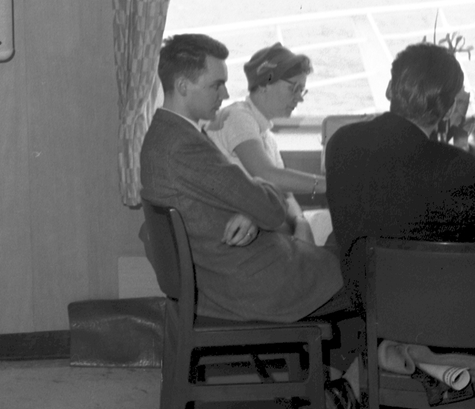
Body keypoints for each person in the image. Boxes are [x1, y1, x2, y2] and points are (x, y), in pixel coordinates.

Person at [139, 33, 346, 324]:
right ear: (183, 86)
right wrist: (258, 202)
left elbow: (241, 197)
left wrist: (251, 209)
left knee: (353, 264)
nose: (225, 94)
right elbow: (271, 208)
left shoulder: (165, 134)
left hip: (224, 276)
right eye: (216, 85)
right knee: (364, 269)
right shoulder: (185, 146)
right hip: (252, 283)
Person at [326, 42, 475, 307]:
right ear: (450, 108)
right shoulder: (457, 167)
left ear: (389, 89)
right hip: (441, 310)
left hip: (366, 303)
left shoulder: (340, 143)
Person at [207, 42, 321, 243]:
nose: (299, 99)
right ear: (264, 84)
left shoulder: (267, 136)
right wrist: (328, 184)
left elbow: (286, 194)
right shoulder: (237, 117)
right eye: (294, 88)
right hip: (234, 232)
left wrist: (301, 222)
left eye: (302, 90)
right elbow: (267, 174)